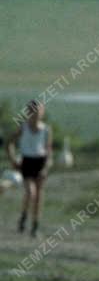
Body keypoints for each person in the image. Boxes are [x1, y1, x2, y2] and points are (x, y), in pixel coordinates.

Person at [6, 100, 52, 237]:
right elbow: (10, 143)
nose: (36, 114)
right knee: (30, 192)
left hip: (40, 161)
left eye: (38, 111)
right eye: (32, 112)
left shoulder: (46, 130)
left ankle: (35, 225)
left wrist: (46, 167)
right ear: (28, 113)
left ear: (42, 113)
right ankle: (24, 217)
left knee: (38, 195)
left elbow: (49, 150)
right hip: (26, 161)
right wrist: (13, 159)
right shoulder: (23, 128)